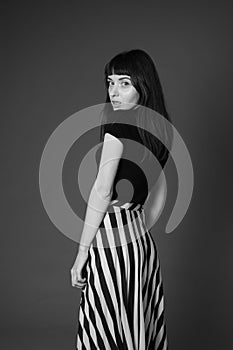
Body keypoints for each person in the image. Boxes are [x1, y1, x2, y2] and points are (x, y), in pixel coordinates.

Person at [70, 49, 173, 350]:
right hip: (141, 243)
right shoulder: (161, 129)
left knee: (104, 324)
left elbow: (102, 190)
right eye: (110, 82)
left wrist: (82, 251)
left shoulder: (117, 126)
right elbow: (157, 196)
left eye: (124, 83)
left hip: (111, 239)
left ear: (144, 84)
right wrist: (136, 229)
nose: (114, 91)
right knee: (134, 319)